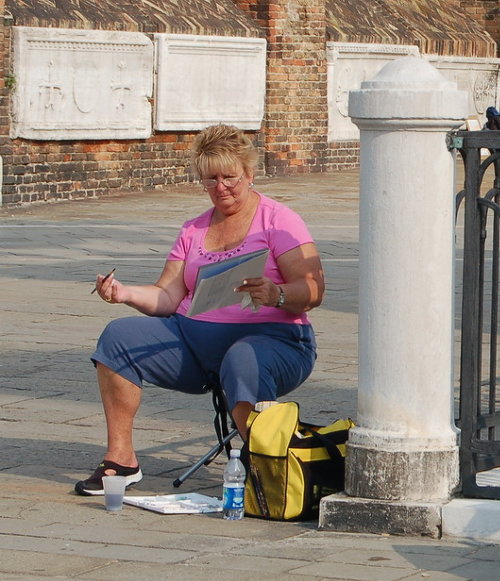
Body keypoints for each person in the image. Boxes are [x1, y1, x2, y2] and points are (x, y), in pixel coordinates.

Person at [77, 124, 325, 495]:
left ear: (250, 174)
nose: (221, 187)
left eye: (230, 178)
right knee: (119, 337)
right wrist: (123, 292)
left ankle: (267, 465)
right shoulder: (192, 229)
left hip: (275, 341)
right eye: (211, 179)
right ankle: (121, 459)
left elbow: (314, 289)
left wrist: (276, 294)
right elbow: (167, 297)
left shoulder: (278, 220)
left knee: (244, 357)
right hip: (195, 342)